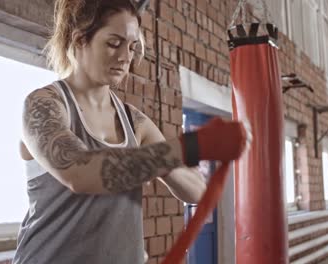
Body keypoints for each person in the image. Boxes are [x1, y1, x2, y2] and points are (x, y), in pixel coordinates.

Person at [13, 0, 249, 263]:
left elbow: (197, 191)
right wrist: (189, 146)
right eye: (114, 43)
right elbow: (80, 173)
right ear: (80, 40)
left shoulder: (133, 121)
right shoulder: (44, 105)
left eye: (133, 47)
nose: (126, 57)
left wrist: (171, 158)